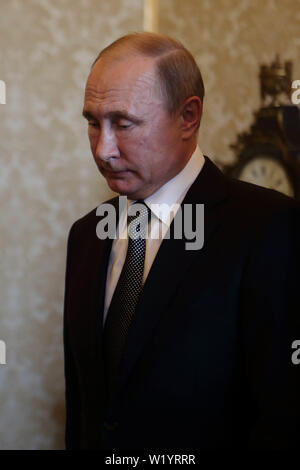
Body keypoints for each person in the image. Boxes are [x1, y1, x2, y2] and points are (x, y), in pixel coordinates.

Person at [63, 32, 300, 450]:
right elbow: (87, 409)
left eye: (124, 123)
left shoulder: (269, 229)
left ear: (188, 117)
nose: (104, 149)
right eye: (93, 122)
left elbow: (283, 415)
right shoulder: (86, 235)